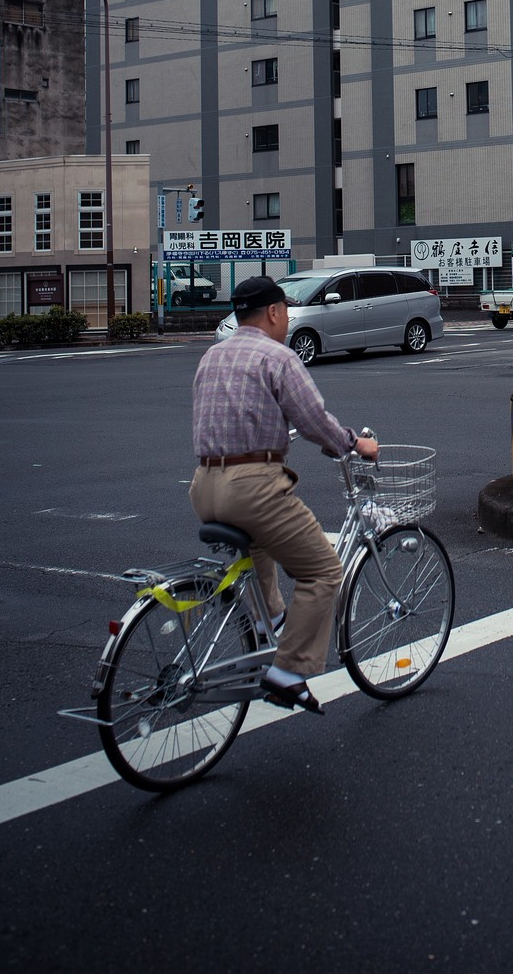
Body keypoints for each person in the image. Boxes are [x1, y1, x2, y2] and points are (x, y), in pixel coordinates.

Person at [190, 274, 378, 714]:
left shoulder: (212, 356)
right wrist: (353, 443)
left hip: (204, 486)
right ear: (274, 312)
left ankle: (271, 619)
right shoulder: (278, 357)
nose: (288, 320)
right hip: (252, 487)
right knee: (324, 573)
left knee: (259, 548)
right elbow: (314, 419)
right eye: (286, 313)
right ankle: (288, 671)